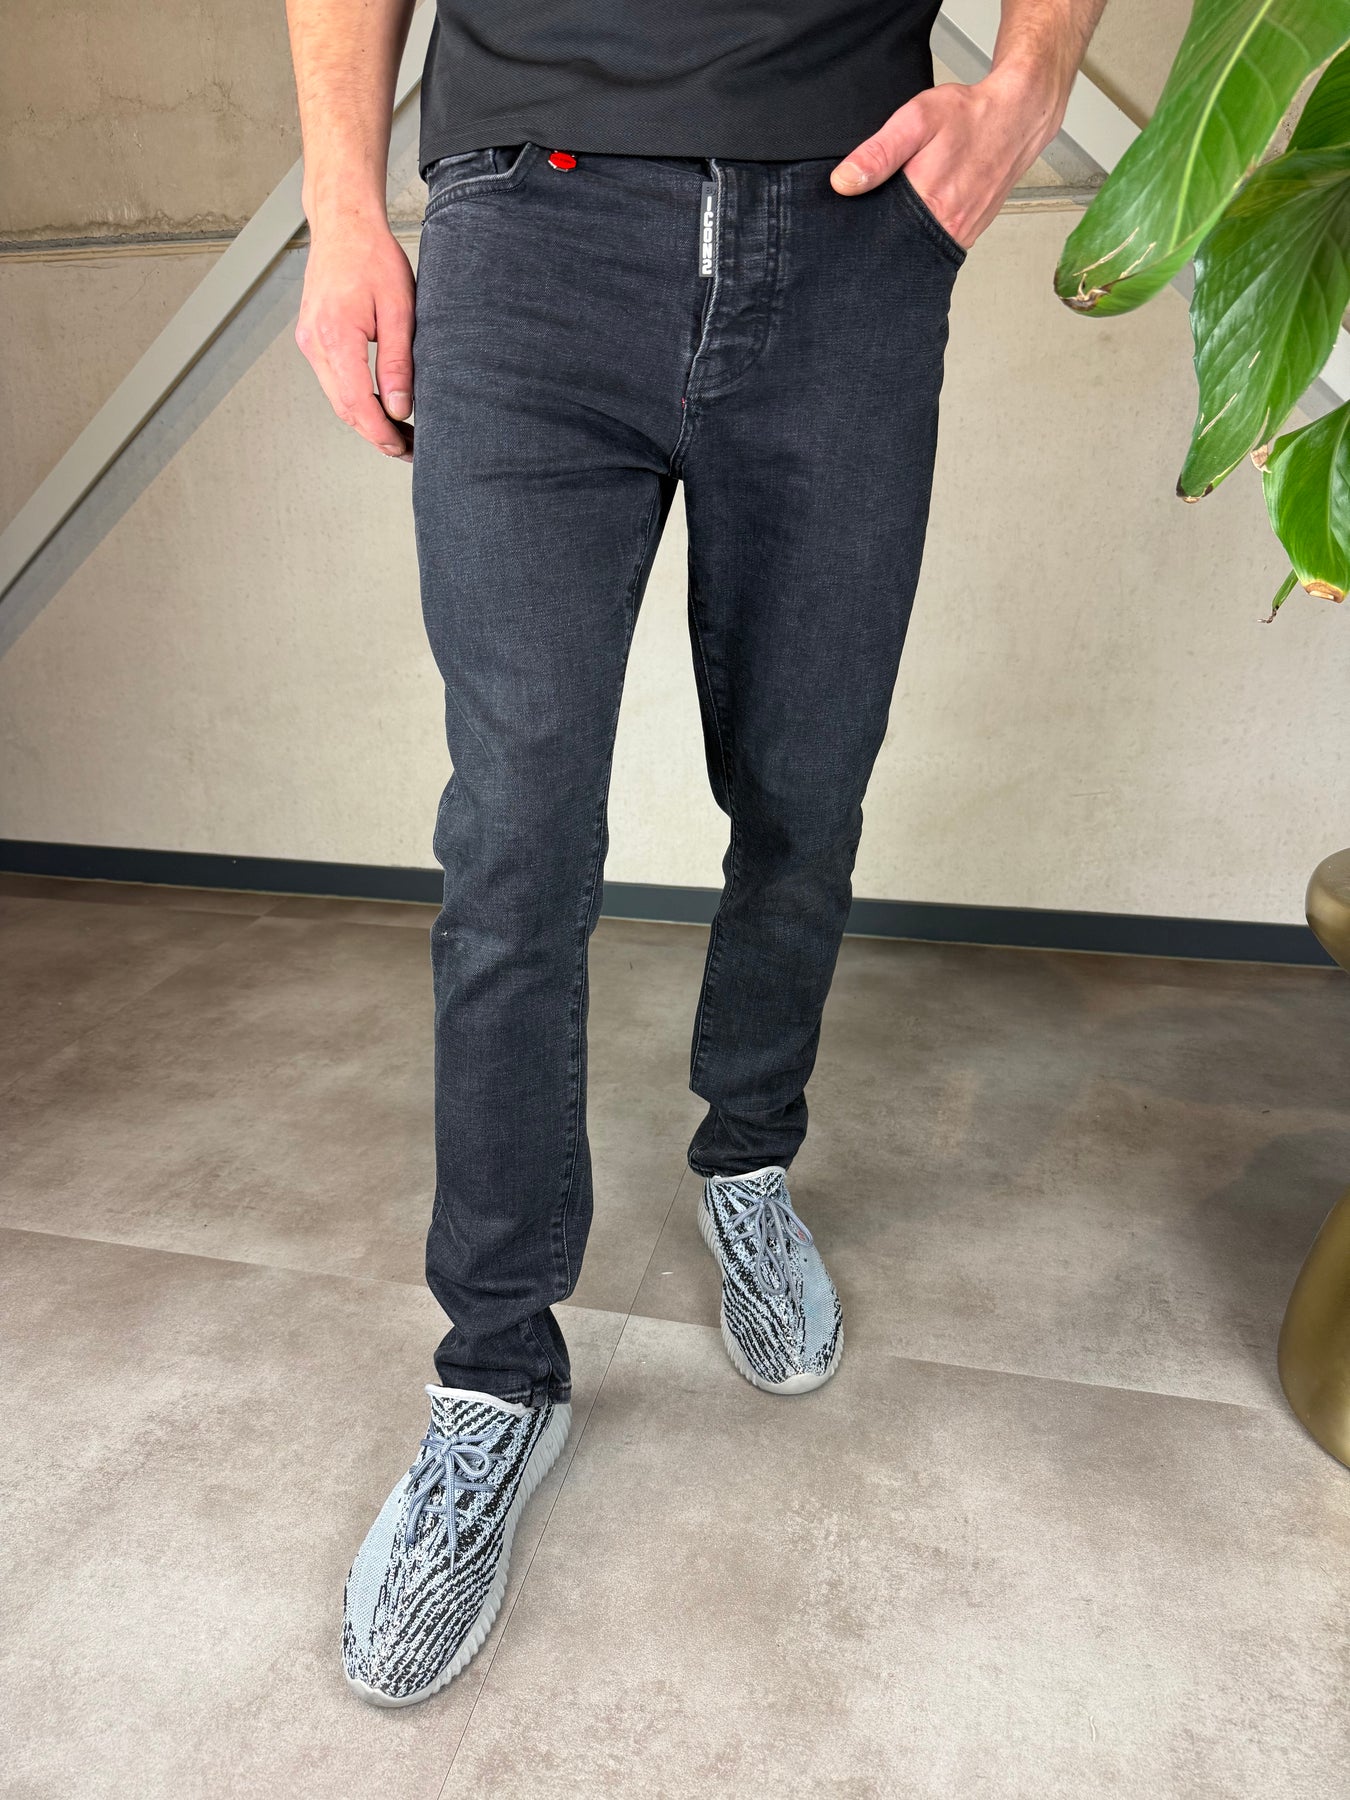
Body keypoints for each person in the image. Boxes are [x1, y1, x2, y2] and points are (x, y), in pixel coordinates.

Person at [285, 0, 1106, 1707]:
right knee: (513, 834)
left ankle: (746, 1160)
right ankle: (494, 1375)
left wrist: (1028, 82)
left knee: (803, 790)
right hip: (529, 225)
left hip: (848, 227)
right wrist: (342, 205)